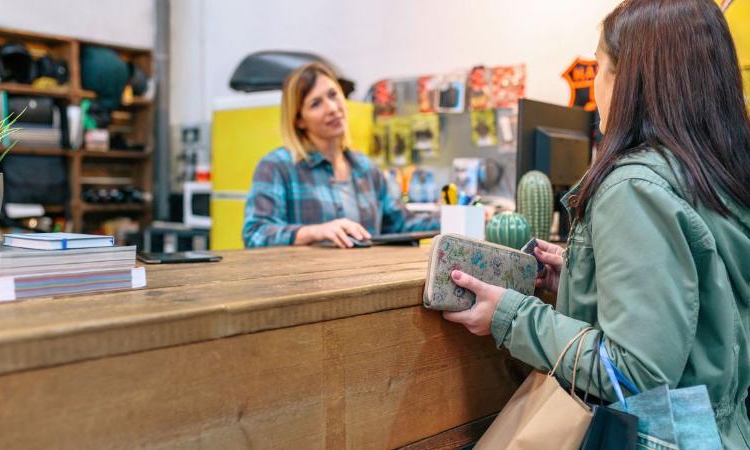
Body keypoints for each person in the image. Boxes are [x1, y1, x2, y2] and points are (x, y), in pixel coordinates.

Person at [442, 0, 750, 446]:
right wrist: (585, 276)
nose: (594, 90)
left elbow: (634, 368)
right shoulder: (716, 173)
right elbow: (699, 297)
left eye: (600, 69)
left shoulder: (634, 188)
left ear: (631, 78)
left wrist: (510, 316)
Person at [242, 63, 439, 248]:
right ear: (299, 120)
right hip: (308, 283)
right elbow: (256, 234)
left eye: (333, 95)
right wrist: (315, 232)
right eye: (316, 104)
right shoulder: (277, 167)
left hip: (366, 281)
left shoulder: (366, 168)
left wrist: (457, 217)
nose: (332, 108)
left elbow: (402, 224)